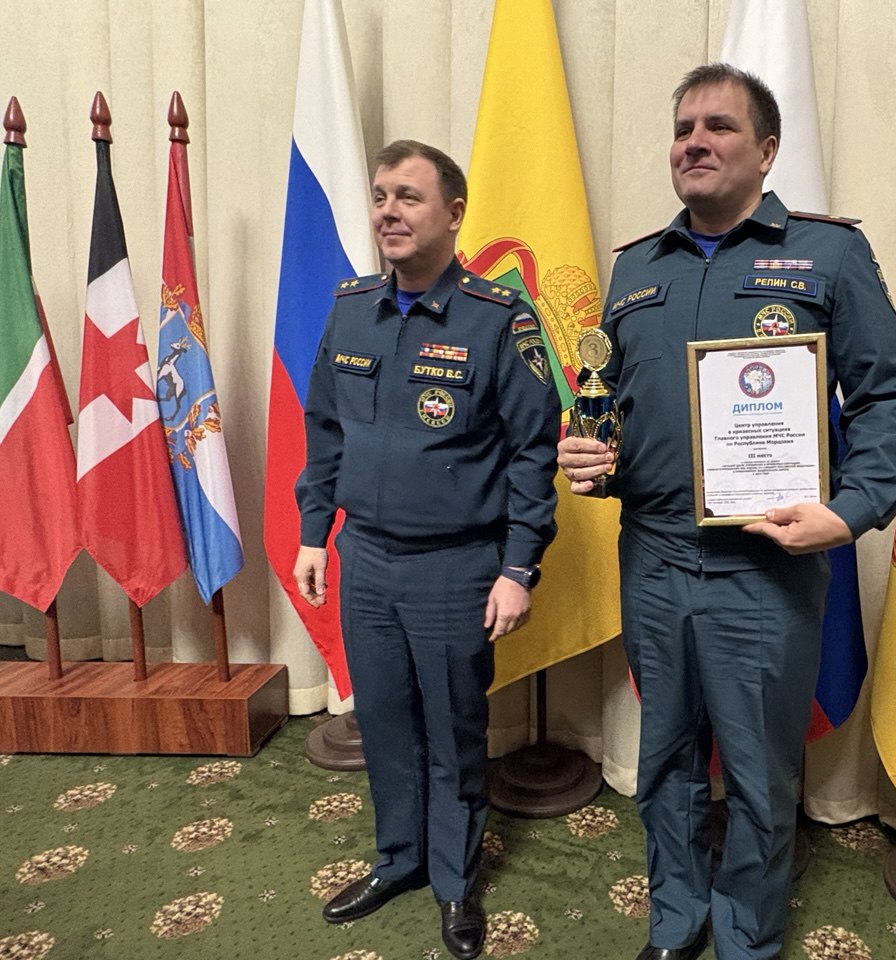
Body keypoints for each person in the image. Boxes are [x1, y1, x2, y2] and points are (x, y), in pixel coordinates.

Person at [557, 64, 896, 960]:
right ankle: (676, 922)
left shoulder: (828, 255)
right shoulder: (635, 267)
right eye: (683, 128)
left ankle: (748, 939)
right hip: (653, 559)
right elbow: (613, 405)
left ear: (766, 150)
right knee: (665, 761)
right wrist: (592, 455)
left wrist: (852, 512)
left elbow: (889, 397)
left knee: (758, 777)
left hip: (765, 569)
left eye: (718, 126)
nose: (694, 141)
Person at [293, 140, 560, 960]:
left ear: (453, 213)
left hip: (455, 565)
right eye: (380, 196)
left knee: (451, 729)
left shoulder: (498, 318)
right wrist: (313, 532)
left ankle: (452, 881)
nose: (389, 211)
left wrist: (518, 568)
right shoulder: (351, 309)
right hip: (366, 559)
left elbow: (533, 453)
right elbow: (325, 430)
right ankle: (399, 860)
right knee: (383, 720)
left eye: (408, 197)